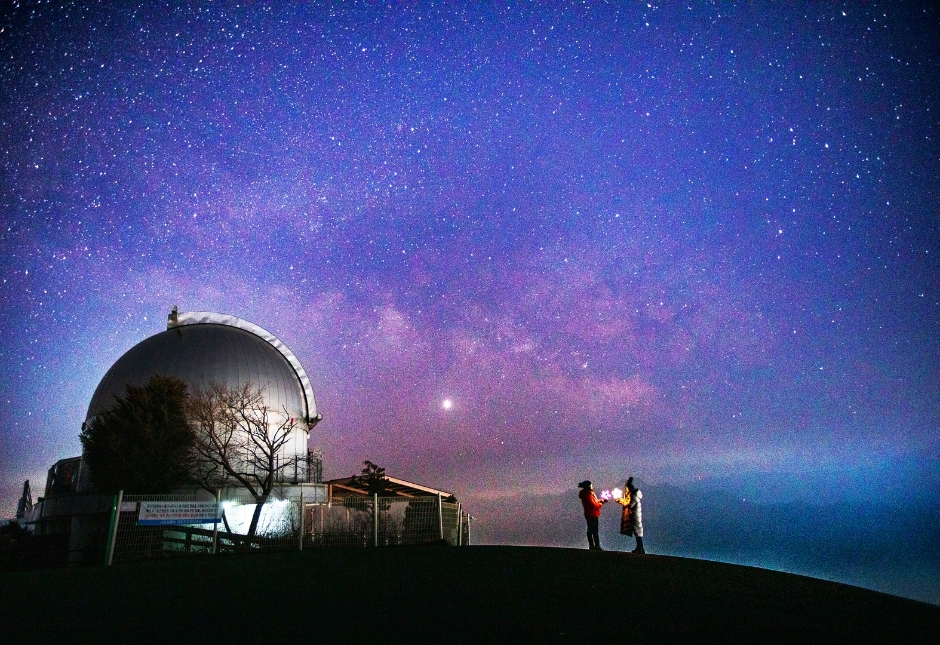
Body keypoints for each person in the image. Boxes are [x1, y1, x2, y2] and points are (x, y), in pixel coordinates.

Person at [577, 480, 607, 550]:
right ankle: (596, 546)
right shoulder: (588, 495)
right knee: (594, 531)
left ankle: (592, 545)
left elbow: (594, 502)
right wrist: (601, 503)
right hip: (592, 514)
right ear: (589, 486)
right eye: (591, 485)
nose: (592, 486)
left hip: (589, 514)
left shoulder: (587, 494)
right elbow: (594, 506)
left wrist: (601, 501)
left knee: (591, 530)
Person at [624, 477, 645, 554]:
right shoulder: (635, 495)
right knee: (637, 532)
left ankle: (640, 548)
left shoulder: (633, 496)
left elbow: (630, 505)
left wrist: (623, 502)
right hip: (636, 515)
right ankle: (639, 547)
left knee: (637, 532)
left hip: (635, 516)